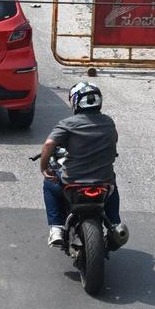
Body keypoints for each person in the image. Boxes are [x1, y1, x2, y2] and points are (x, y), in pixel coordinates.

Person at [40, 80, 129, 251]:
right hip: (103, 183)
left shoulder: (67, 124)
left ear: (74, 102)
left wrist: (44, 168)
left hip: (72, 182)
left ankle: (56, 227)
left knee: (49, 183)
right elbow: (114, 140)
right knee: (113, 185)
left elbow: (48, 145)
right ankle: (115, 223)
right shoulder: (109, 122)